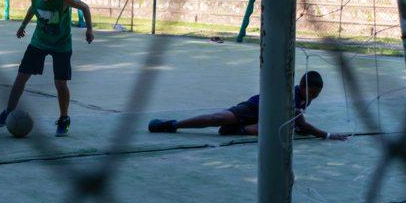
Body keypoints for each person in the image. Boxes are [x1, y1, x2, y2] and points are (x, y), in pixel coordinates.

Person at [0, 0, 93, 137]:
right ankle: (8, 111)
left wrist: (89, 29)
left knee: (60, 83)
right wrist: (23, 25)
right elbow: (33, 8)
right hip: (39, 42)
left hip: (61, 45)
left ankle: (64, 119)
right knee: (21, 77)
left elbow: (84, 7)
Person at [148, 71, 348, 140]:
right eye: (312, 92)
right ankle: (173, 124)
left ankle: (237, 130)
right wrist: (327, 135)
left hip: (266, 119)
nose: (315, 96)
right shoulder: (293, 95)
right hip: (254, 108)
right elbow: (302, 123)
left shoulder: (307, 98)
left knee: (277, 130)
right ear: (301, 87)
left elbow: (297, 123)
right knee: (216, 118)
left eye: (317, 94)